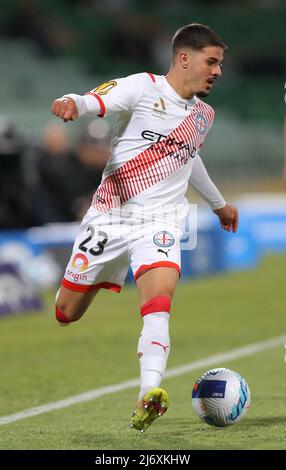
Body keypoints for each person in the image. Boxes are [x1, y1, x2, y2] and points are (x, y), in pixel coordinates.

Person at [51, 23, 238, 432]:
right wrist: (70, 102)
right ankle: (95, 287)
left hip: (161, 221)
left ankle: (148, 392)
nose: (218, 72)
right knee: (66, 313)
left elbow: (191, 160)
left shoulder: (203, 115)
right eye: (213, 62)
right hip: (110, 218)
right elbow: (93, 100)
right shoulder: (143, 87)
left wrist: (219, 205)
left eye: (220, 64)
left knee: (159, 303)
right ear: (184, 59)